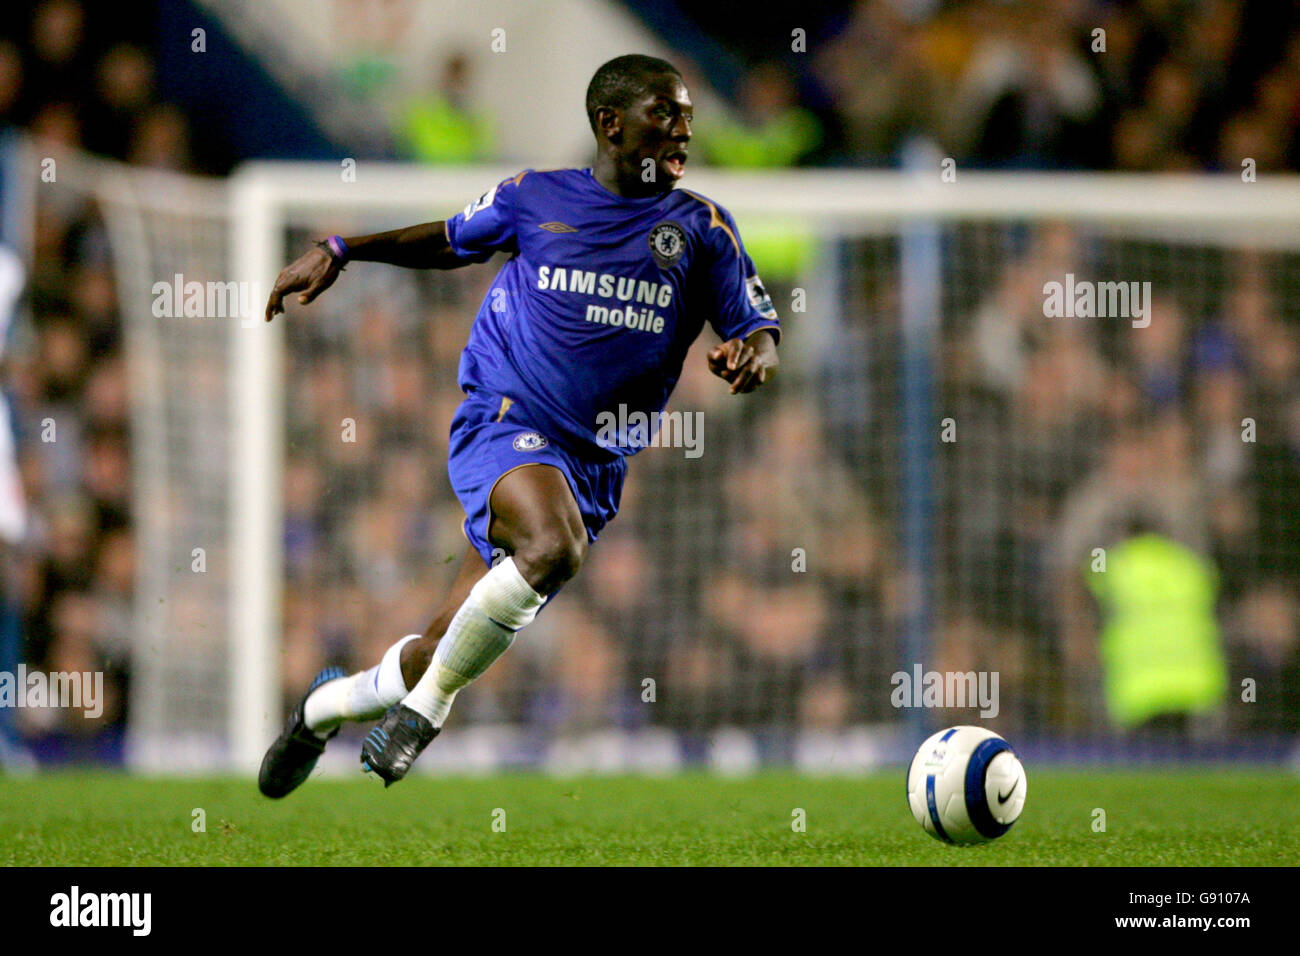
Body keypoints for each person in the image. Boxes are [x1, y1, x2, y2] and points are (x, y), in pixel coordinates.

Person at [258, 54, 781, 795]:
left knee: (436, 647)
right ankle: (425, 717)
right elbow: (448, 238)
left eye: (687, 115)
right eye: (665, 113)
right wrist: (345, 249)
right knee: (552, 546)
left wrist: (754, 357)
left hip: (593, 465)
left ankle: (321, 707)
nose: (683, 129)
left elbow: (758, 327)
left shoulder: (702, 228)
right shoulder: (537, 197)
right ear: (611, 123)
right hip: (505, 417)